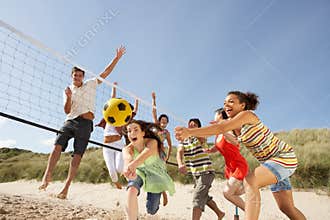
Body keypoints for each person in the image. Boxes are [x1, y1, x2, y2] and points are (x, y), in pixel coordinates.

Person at [175, 91, 306, 220]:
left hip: (282, 158)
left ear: (242, 105)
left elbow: (221, 128)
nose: (226, 105)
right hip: (270, 165)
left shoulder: (248, 115)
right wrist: (195, 133)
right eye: (225, 103)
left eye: (231, 101)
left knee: (250, 181)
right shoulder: (232, 128)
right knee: (286, 207)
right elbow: (220, 131)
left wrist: (189, 131)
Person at [38, 46, 126, 199]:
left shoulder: (91, 84)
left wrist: (116, 59)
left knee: (77, 155)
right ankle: (47, 176)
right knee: (57, 146)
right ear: (72, 76)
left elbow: (105, 73)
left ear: (83, 77)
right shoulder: (68, 90)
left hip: (86, 123)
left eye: (79, 75)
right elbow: (66, 110)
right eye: (75, 75)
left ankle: (66, 188)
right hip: (70, 120)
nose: (77, 77)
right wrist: (69, 97)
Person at [122, 120, 175, 220]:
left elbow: (144, 155)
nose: (132, 133)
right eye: (129, 131)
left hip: (156, 174)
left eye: (135, 130)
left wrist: (132, 165)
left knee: (151, 209)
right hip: (140, 170)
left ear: (143, 133)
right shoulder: (127, 149)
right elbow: (127, 160)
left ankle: (161, 193)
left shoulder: (152, 142)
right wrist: (127, 169)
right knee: (131, 189)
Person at [176, 118, 225, 220]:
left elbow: (201, 138)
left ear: (198, 127)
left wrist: (191, 132)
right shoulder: (184, 141)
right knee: (204, 196)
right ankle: (220, 213)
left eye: (194, 125)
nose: (191, 126)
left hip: (206, 171)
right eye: (190, 125)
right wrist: (180, 164)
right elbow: (179, 152)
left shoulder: (201, 136)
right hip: (195, 174)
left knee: (197, 197)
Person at [95, 82, 138, 189]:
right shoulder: (110, 117)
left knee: (119, 168)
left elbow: (134, 111)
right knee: (112, 171)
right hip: (107, 146)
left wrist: (137, 100)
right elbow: (112, 99)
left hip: (119, 145)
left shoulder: (124, 120)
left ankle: (132, 182)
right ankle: (117, 184)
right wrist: (114, 87)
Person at [204, 108, 248, 211]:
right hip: (229, 168)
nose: (214, 119)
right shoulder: (218, 134)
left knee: (227, 193)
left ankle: (250, 214)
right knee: (234, 193)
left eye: (217, 117)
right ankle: (252, 185)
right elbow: (219, 146)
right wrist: (210, 150)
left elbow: (235, 142)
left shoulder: (230, 129)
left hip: (238, 165)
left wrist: (222, 129)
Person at [151, 91, 172, 161]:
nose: (164, 121)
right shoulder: (156, 125)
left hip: (160, 152)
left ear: (167, 123)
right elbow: (154, 112)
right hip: (150, 148)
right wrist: (154, 99)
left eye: (166, 120)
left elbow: (170, 146)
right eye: (162, 119)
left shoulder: (167, 133)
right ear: (159, 121)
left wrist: (167, 158)